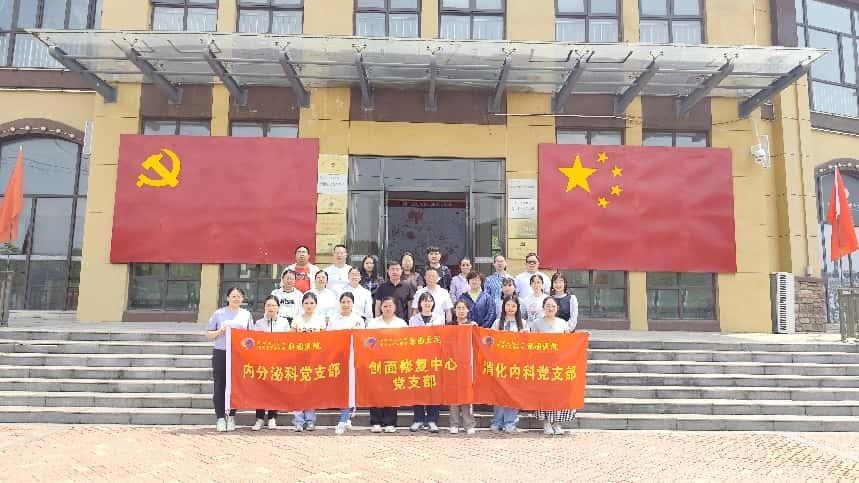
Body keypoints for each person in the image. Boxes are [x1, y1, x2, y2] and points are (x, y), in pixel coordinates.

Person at [205, 287, 253, 432]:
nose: (236, 299)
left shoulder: (246, 314)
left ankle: (231, 416)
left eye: (239, 296)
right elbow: (208, 334)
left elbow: (251, 337)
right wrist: (220, 331)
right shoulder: (219, 313)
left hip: (238, 354)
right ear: (227, 298)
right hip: (221, 352)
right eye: (233, 296)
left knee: (234, 386)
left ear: (242, 299)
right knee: (220, 385)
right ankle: (220, 417)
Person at [531, 297, 576, 435]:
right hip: (543, 364)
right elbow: (532, 343)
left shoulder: (563, 323)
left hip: (559, 364)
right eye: (548, 306)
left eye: (553, 306)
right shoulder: (537, 323)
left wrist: (584, 337)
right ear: (543, 307)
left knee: (559, 394)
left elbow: (570, 341)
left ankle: (557, 423)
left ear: (557, 308)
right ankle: (546, 422)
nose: (550, 308)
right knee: (545, 394)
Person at [366, 297, 408, 433]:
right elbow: (367, 342)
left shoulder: (401, 324)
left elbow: (406, 343)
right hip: (376, 362)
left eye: (390, 306)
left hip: (394, 362)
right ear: (381, 307)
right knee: (375, 391)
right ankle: (376, 422)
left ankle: (390, 422)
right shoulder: (373, 323)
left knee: (392, 391)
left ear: (395, 307)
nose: (388, 308)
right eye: (385, 306)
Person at [327, 292, 365, 435]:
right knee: (341, 389)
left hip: (353, 358)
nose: (346, 304)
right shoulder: (333, 319)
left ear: (353, 304)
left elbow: (361, 339)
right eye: (343, 301)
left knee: (350, 388)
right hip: (337, 357)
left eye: (348, 302)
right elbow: (329, 338)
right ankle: (348, 415)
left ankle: (343, 419)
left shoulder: (358, 320)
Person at [250, 295, 291, 431]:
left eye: (273, 305)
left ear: (278, 307)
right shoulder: (259, 323)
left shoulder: (284, 323)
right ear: (264, 307)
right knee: (260, 390)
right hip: (262, 362)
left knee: (274, 390)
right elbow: (254, 342)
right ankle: (259, 418)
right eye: (268, 305)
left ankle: (272, 417)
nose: (271, 308)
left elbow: (288, 341)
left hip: (278, 362)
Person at [406, 292, 445, 433]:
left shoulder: (439, 318)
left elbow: (441, 338)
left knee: (433, 388)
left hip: (434, 358)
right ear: (420, 303)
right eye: (424, 301)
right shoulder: (413, 320)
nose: (427, 303)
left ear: (433, 303)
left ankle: (432, 420)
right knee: (417, 387)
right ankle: (418, 419)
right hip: (418, 358)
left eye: (429, 301)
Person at [490, 295, 528, 433]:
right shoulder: (497, 323)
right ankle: (497, 421)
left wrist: (525, 336)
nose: (510, 308)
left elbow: (528, 345)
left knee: (513, 394)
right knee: (499, 394)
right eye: (508, 305)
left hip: (516, 364)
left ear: (518, 308)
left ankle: (510, 422)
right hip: (500, 364)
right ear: (503, 306)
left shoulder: (523, 323)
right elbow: (489, 340)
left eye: (513, 306)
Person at [291, 292, 326, 432]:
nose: (309, 306)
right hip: (299, 359)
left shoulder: (320, 319)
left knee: (311, 391)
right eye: (306, 303)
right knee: (298, 390)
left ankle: (310, 420)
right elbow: (290, 339)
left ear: (316, 305)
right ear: (302, 305)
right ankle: (298, 421)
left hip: (314, 360)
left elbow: (324, 340)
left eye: (312, 303)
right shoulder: (297, 319)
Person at [448, 300, 476, 435]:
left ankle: (468, 424)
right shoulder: (448, 326)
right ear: (454, 310)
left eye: (463, 308)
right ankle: (454, 424)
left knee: (467, 395)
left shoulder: (472, 326)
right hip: (452, 364)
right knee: (453, 395)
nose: (460, 310)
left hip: (467, 364)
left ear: (468, 310)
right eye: (458, 308)